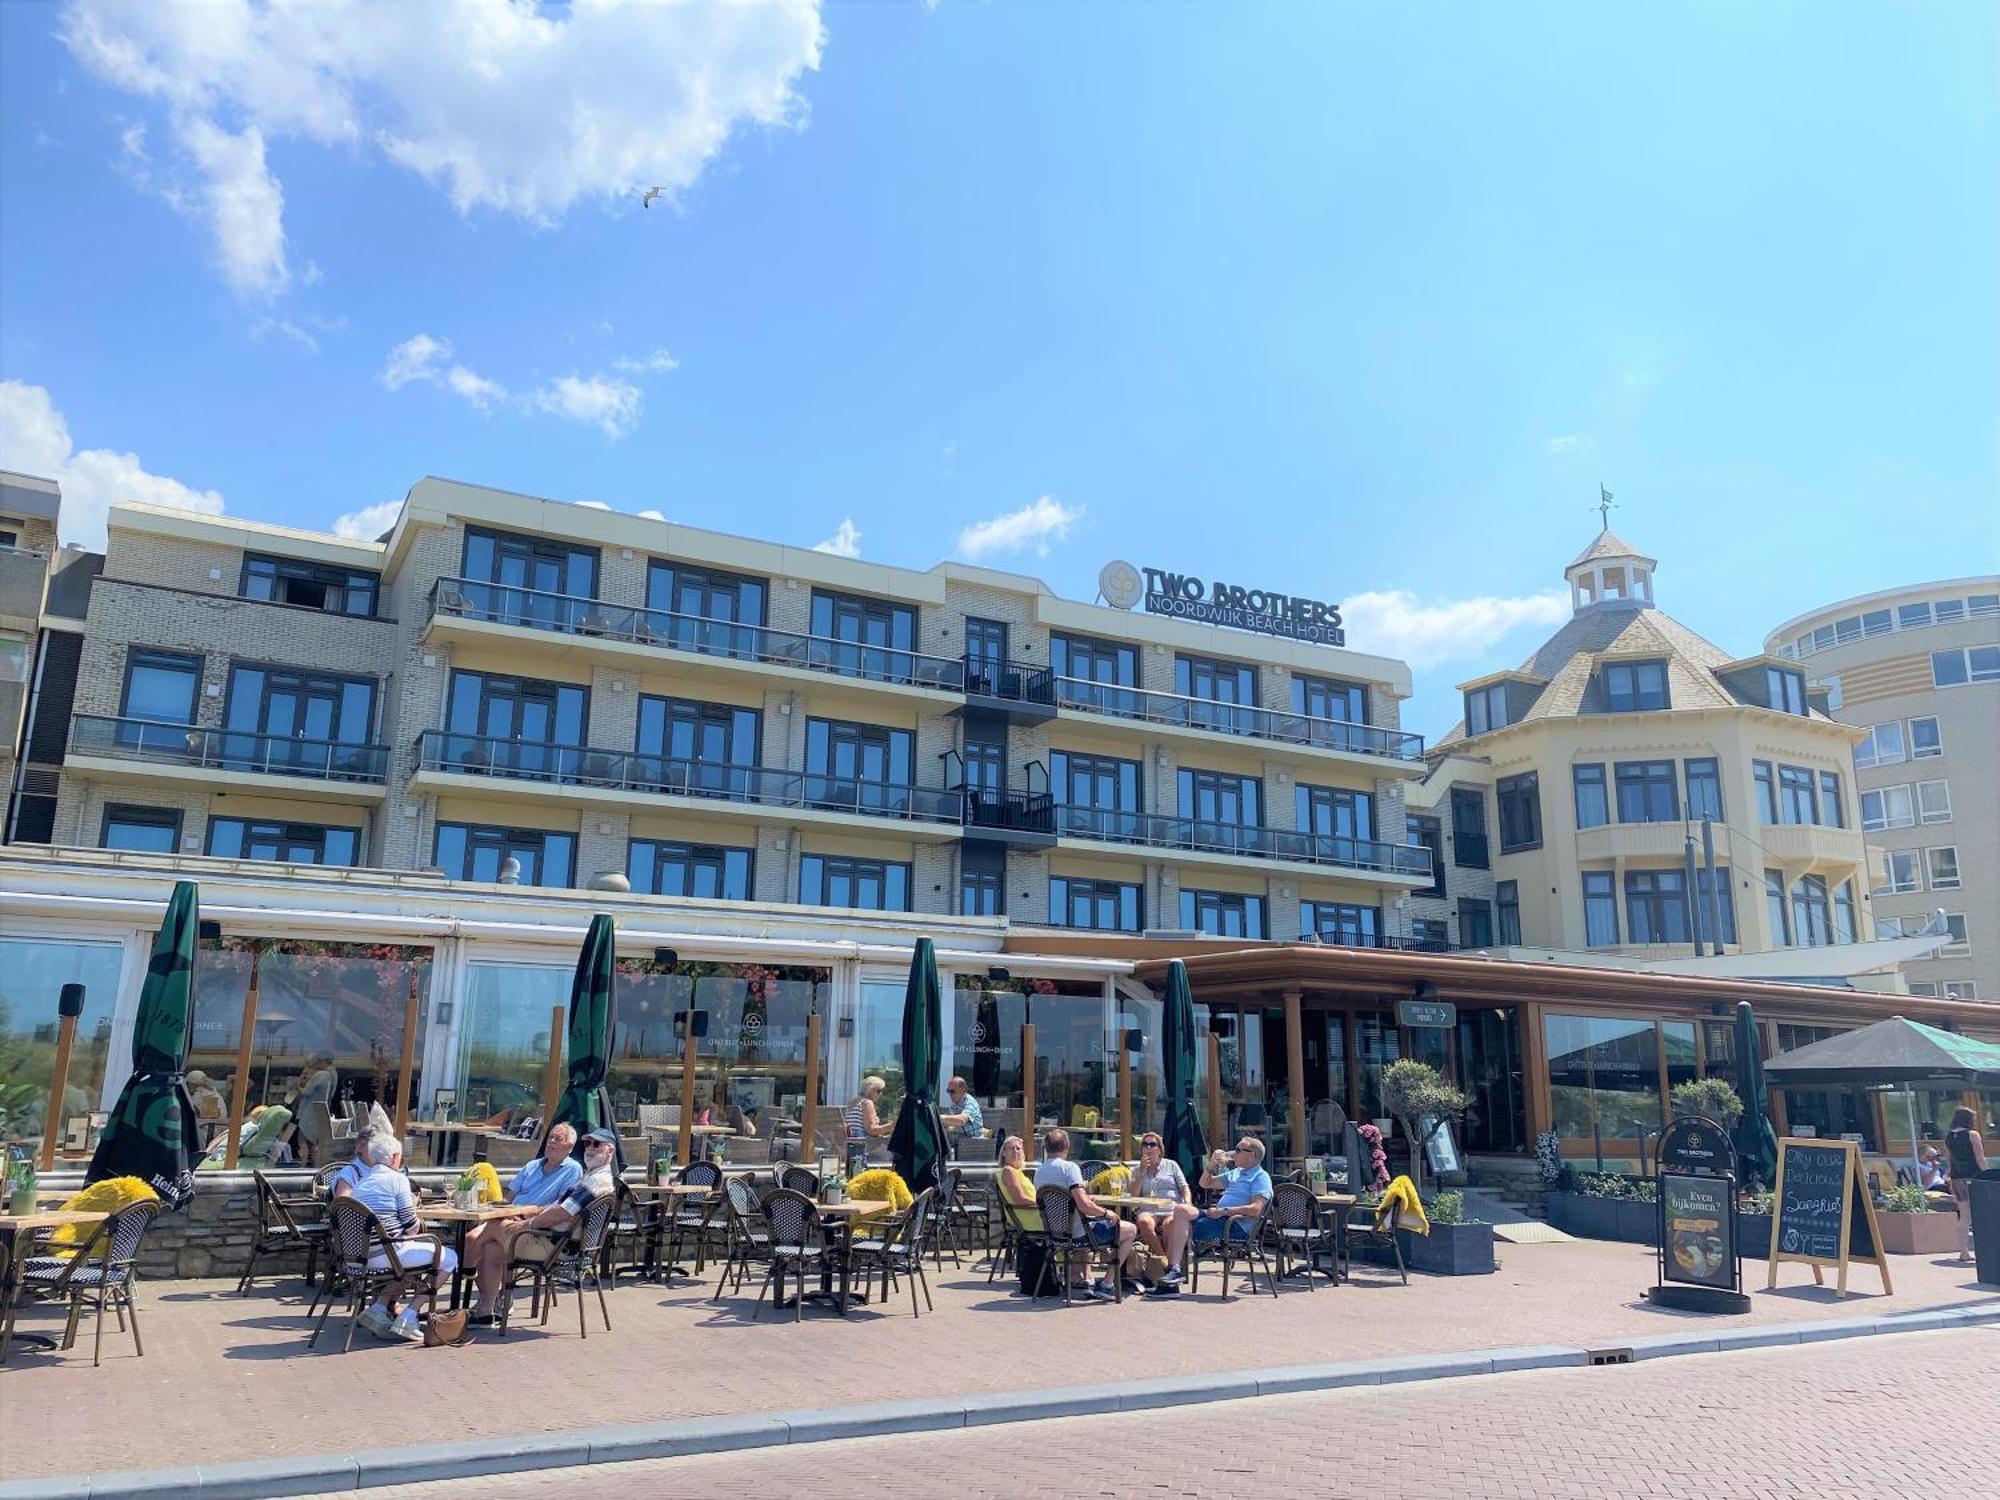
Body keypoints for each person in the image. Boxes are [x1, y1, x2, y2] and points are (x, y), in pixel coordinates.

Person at [468, 1127, 619, 1323]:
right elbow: (557, 1207)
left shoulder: (595, 1182)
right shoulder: (592, 1178)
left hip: (555, 1248)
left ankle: (465, 1272)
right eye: (587, 1143)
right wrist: (525, 1216)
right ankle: (486, 1312)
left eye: (596, 1144)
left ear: (610, 1151)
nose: (590, 1148)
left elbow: (562, 1213)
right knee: (490, 1248)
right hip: (557, 1243)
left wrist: (526, 1224)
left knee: (492, 1228)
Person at [346, 1134, 457, 1343]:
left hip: (358, 1256)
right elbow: (411, 1227)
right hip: (387, 1254)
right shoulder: (398, 1179)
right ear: (395, 1157)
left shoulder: (361, 1183)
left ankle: (379, 1307)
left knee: (411, 1258)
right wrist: (413, 1204)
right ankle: (410, 1315)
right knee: (449, 1258)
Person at [1033, 1127, 1135, 1300]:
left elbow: (1071, 1200)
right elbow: (1084, 1205)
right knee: (1131, 1229)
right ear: (1067, 1147)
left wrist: (1086, 1201)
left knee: (1089, 1222)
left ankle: (1085, 1279)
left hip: (1056, 1233)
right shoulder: (1069, 1168)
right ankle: (1107, 1284)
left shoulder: (1039, 1172)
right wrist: (1106, 1212)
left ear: (1046, 1148)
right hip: (1079, 1234)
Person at [461, 1123, 581, 1266]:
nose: (551, 1141)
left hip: (534, 1226)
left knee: (478, 1237)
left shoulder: (573, 1170)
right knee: (480, 1243)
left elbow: (560, 1206)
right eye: (550, 1137)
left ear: (569, 1147)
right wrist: (501, 1211)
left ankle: (465, 1271)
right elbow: (508, 1198)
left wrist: (526, 1215)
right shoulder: (532, 1165)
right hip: (511, 1216)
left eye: (558, 1138)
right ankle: (491, 1286)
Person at [1131, 1132, 1198, 1295]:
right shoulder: (1137, 1169)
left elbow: (1184, 1187)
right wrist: (1141, 1173)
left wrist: (1187, 1202)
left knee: (1170, 1225)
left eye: (1152, 1145)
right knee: (1144, 1222)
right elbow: (1133, 1195)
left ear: (1160, 1150)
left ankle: (1166, 1273)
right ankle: (1167, 1265)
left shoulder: (1171, 1165)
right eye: (1145, 1145)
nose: (1148, 1148)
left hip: (1171, 1207)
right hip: (1149, 1208)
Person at [1194, 1136, 1274, 1261]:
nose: (1233, 1153)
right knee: (1181, 1212)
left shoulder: (1260, 1177)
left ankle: (1172, 1268)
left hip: (1235, 1226)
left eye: (1238, 1150)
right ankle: (1172, 1267)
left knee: (1184, 1226)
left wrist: (1222, 1211)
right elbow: (1205, 1183)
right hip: (1220, 1219)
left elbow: (1255, 1209)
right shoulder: (1237, 1172)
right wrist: (1211, 1165)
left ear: (1252, 1155)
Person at [1945, 1105, 1989, 1265]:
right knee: (1982, 1215)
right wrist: (1989, 1176)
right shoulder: (1972, 1135)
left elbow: (1949, 1160)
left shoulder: (1948, 1137)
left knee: (1964, 1217)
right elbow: (1980, 1159)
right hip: (1975, 1178)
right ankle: (1984, 1250)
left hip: (1957, 1179)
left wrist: (1949, 1177)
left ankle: (1963, 1251)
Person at [843, 1076, 896, 1160]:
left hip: (851, 1147)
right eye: (878, 1091)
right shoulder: (867, 1103)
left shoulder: (852, 1103)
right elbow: (872, 1130)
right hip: (864, 1148)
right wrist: (891, 1126)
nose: (881, 1094)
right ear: (870, 1090)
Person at [940, 1076, 985, 1153]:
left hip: (973, 1144)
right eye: (948, 1091)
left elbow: (962, 1120)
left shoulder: (970, 1103)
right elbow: (954, 1125)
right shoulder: (955, 1104)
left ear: (962, 1090)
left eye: (952, 1091)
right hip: (961, 1142)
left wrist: (940, 1118)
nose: (950, 1094)